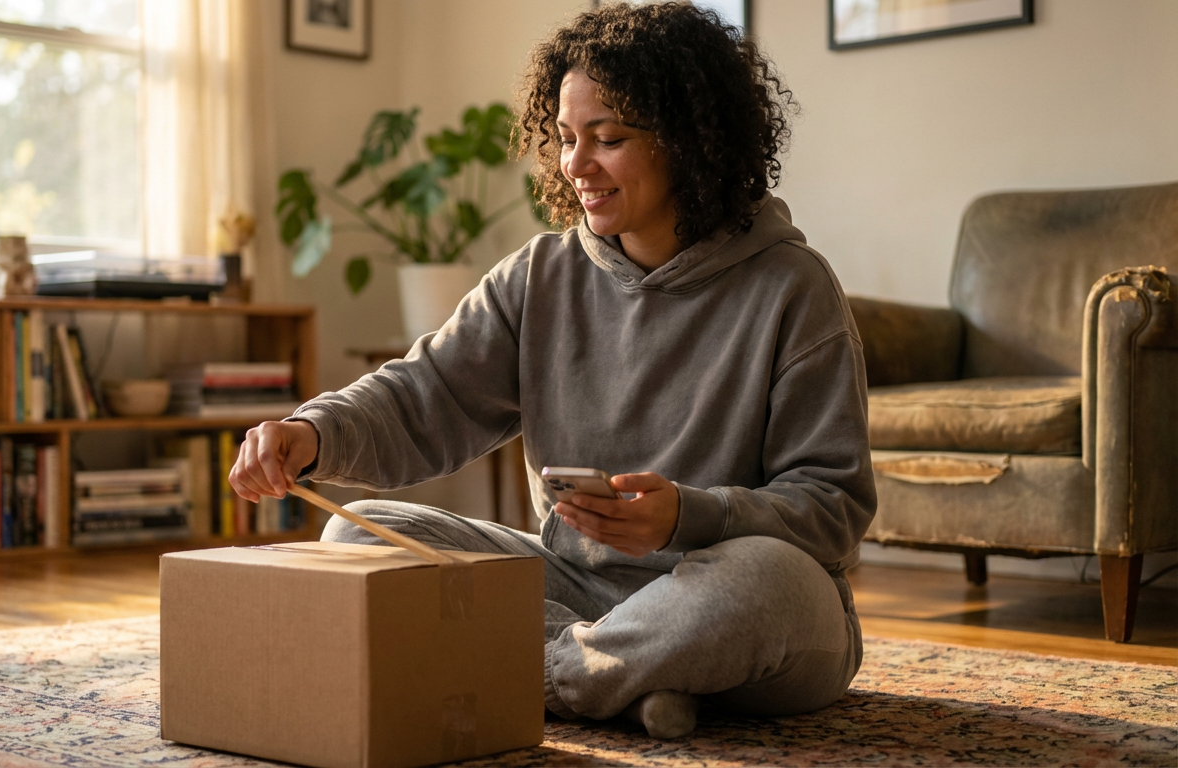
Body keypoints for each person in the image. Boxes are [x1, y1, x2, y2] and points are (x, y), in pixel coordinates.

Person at [230, 2, 875, 739]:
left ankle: (539, 674)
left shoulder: (792, 287)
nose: (575, 165)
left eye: (608, 138)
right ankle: (624, 682)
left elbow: (832, 505)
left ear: (691, 143)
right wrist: (313, 433)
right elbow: (425, 394)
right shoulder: (540, 274)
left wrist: (690, 515)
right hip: (575, 589)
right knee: (361, 536)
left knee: (769, 584)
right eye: (567, 138)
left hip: (728, 601)